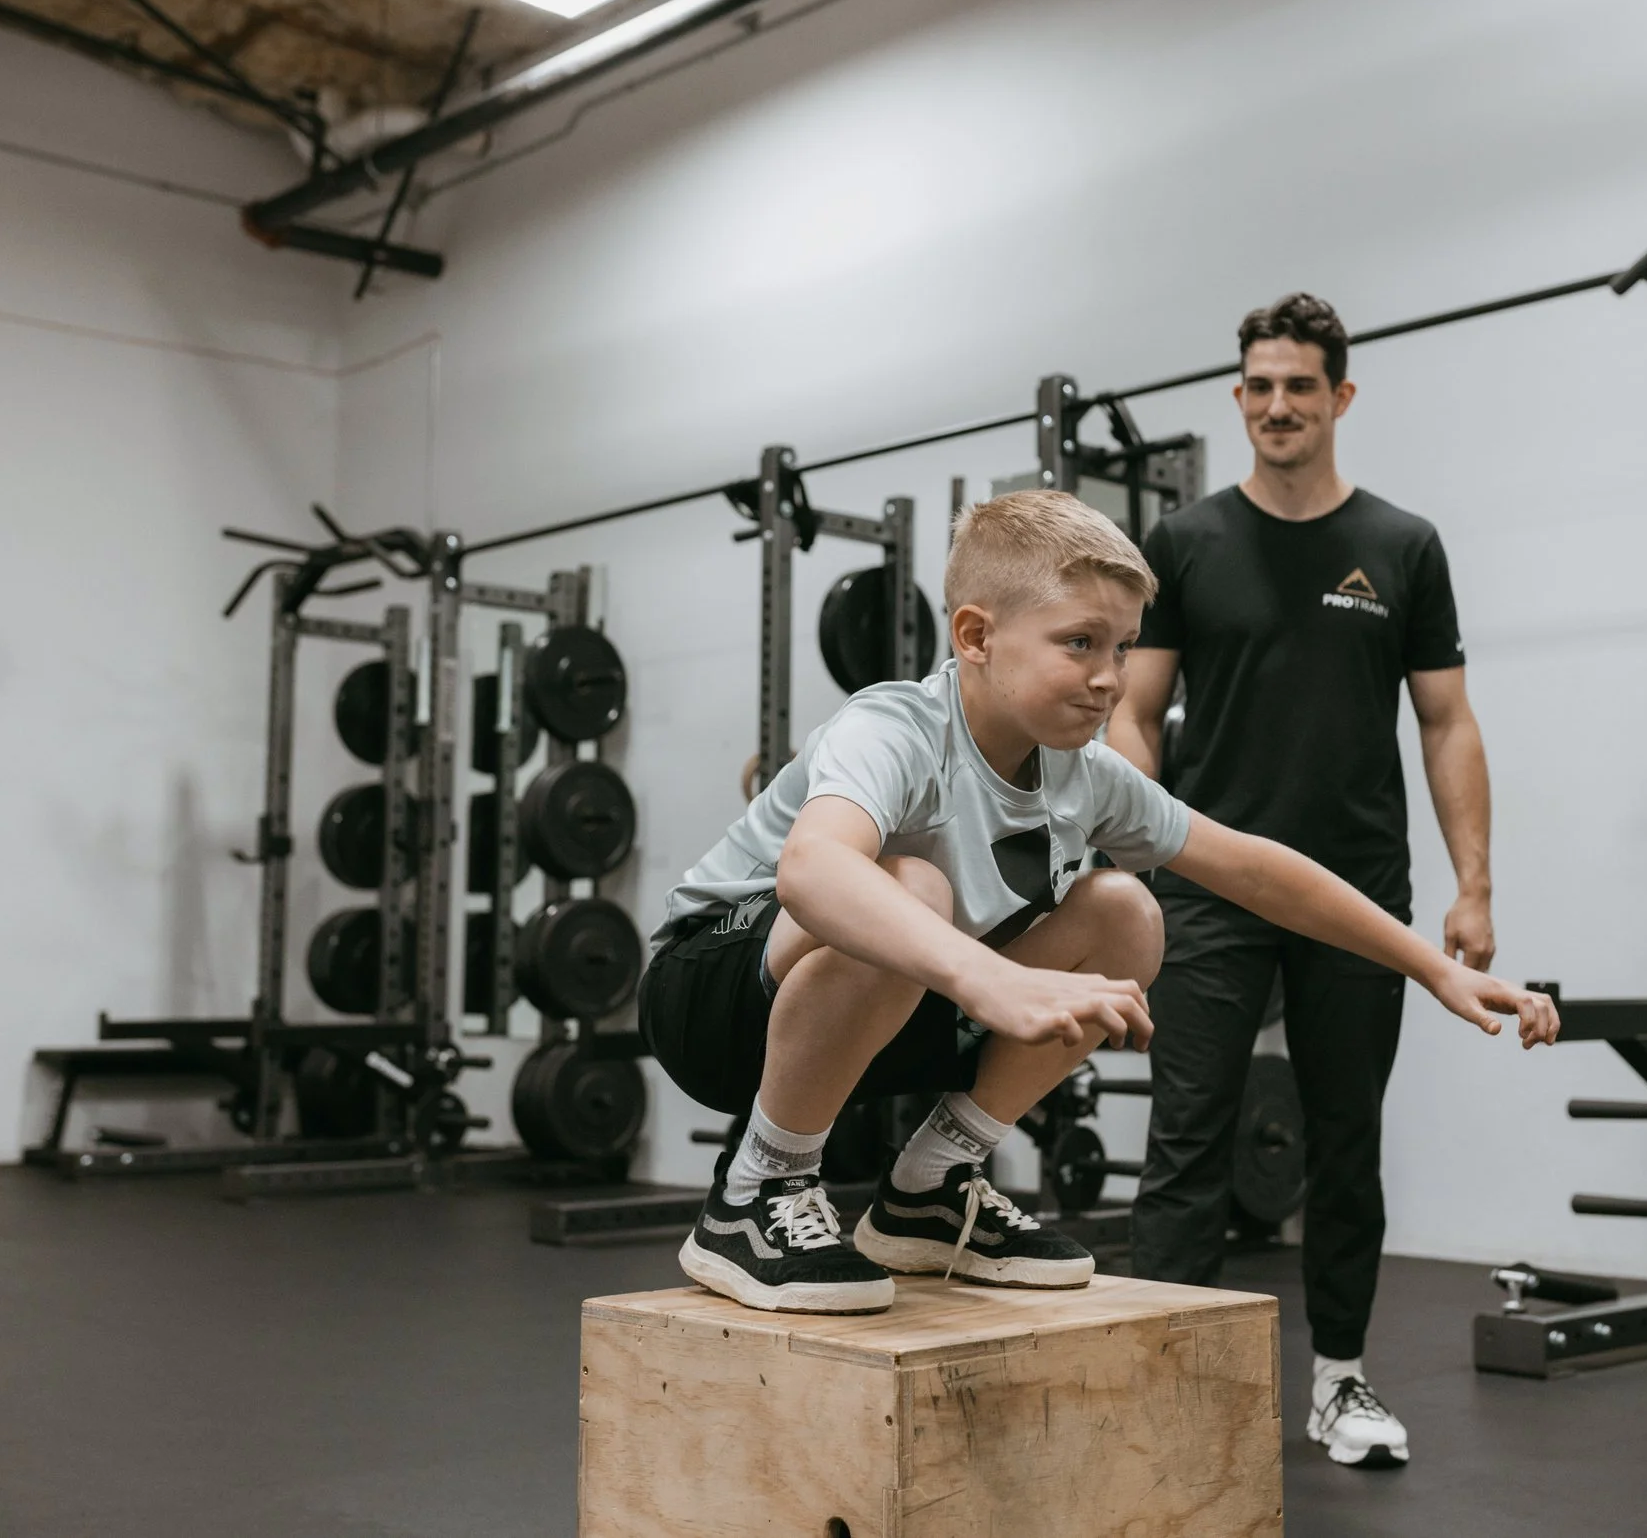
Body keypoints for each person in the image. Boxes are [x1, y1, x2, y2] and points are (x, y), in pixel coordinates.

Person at [638, 488, 1553, 1317]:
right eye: (1080, 643)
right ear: (975, 635)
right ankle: (757, 1189)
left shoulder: (1086, 776)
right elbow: (813, 873)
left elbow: (1261, 871)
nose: (1111, 676)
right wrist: (990, 978)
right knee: (906, 884)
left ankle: (929, 1185)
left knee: (1125, 913)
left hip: (873, 1014)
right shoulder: (897, 728)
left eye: (1123, 648)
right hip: (712, 1001)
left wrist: (1433, 968)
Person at [1107, 292, 1494, 1467]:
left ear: (1339, 397)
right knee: (1186, 1133)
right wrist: (1145, 844)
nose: (1278, 406)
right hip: (1213, 884)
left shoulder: (1401, 545)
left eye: (1299, 386)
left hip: (1357, 890)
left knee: (1345, 1137)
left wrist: (1471, 885)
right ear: (1239, 398)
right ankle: (1158, 1389)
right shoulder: (1184, 542)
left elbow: (1446, 722)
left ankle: (1339, 1379)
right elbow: (1131, 708)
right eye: (1259, 387)